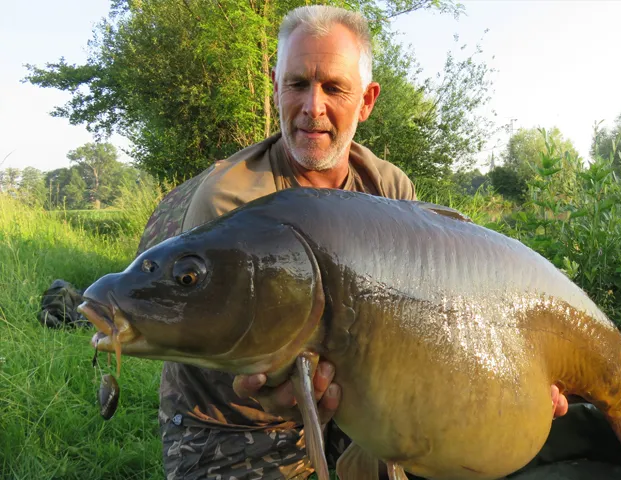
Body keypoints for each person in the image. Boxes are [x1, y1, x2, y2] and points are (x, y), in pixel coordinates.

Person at [130, 5, 569, 479]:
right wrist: (282, 388)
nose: (311, 107)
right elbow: (234, 369)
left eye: (334, 88)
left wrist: (515, 381)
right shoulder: (230, 204)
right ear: (276, 84)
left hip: (355, 401)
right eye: (297, 84)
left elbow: (434, 321)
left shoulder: (389, 190)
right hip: (234, 424)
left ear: (366, 101)